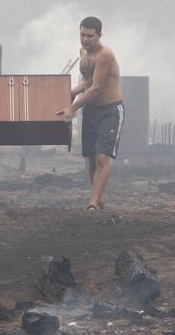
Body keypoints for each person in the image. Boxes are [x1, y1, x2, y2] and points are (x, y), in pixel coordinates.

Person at [57, 16, 124, 210]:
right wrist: (70, 93)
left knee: (103, 157)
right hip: (91, 110)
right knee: (91, 157)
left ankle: (93, 203)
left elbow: (96, 88)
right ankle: (98, 197)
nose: (85, 39)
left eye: (90, 36)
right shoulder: (83, 53)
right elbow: (88, 82)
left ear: (99, 35)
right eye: (82, 35)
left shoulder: (105, 55)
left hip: (110, 109)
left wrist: (72, 107)